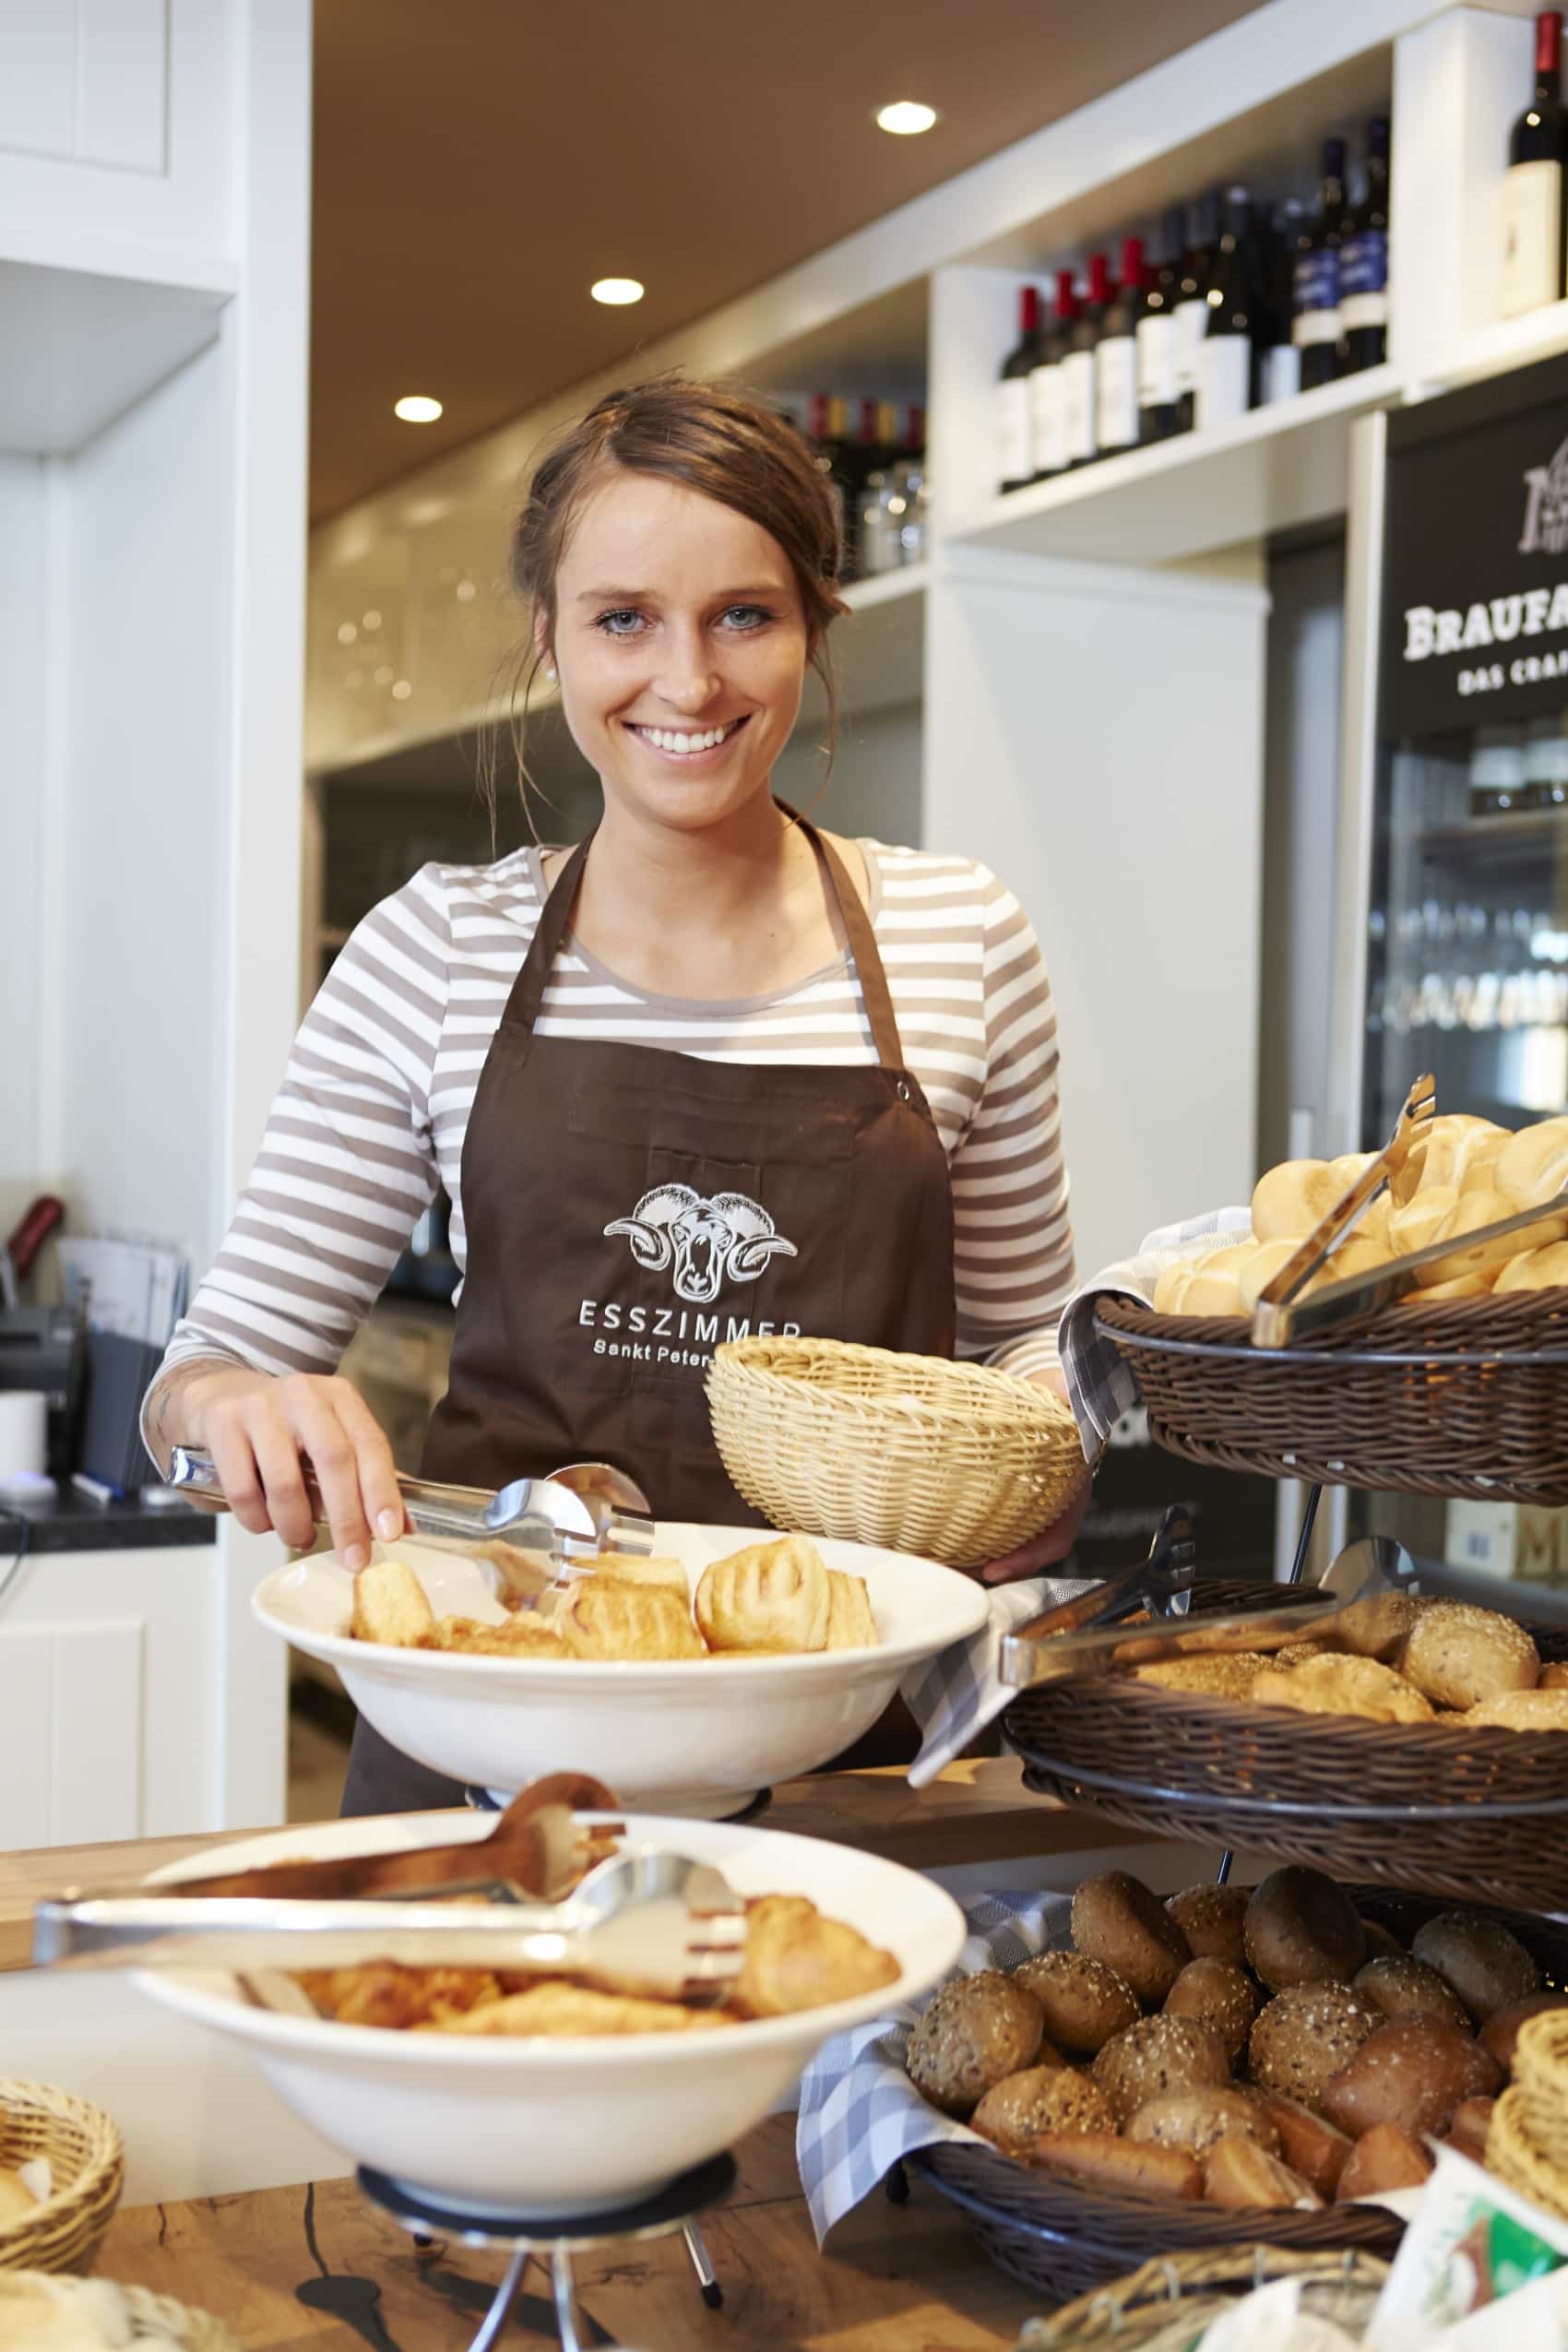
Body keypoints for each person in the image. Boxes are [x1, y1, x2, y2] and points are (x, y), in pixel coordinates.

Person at [142, 376, 1084, 1814]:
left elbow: (1021, 1349)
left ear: (817, 620)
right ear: (550, 635)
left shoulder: (960, 942)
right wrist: (239, 1410)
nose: (687, 683)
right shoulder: (435, 950)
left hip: (844, 1752)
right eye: (624, 618)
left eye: (744, 615)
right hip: (489, 1742)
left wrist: (1055, 1441)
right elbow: (195, 1384)